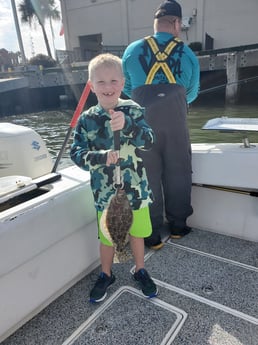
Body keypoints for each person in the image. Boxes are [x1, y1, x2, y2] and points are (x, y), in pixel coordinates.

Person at [70, 53, 158, 303]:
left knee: (137, 233)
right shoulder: (86, 119)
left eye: (113, 81)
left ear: (122, 82)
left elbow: (150, 142)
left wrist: (129, 124)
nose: (108, 87)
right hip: (106, 194)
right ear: (91, 86)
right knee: (107, 237)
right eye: (101, 82)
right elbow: (76, 154)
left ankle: (140, 269)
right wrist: (101, 157)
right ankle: (106, 274)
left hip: (136, 191)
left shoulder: (134, 110)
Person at [122, 0, 200, 250]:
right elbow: (192, 93)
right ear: (176, 23)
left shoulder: (132, 51)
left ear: (155, 23)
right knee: (178, 172)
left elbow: (127, 90)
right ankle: (178, 227)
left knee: (147, 176)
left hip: (142, 122)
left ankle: (152, 234)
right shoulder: (187, 54)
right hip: (175, 122)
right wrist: (173, 102)